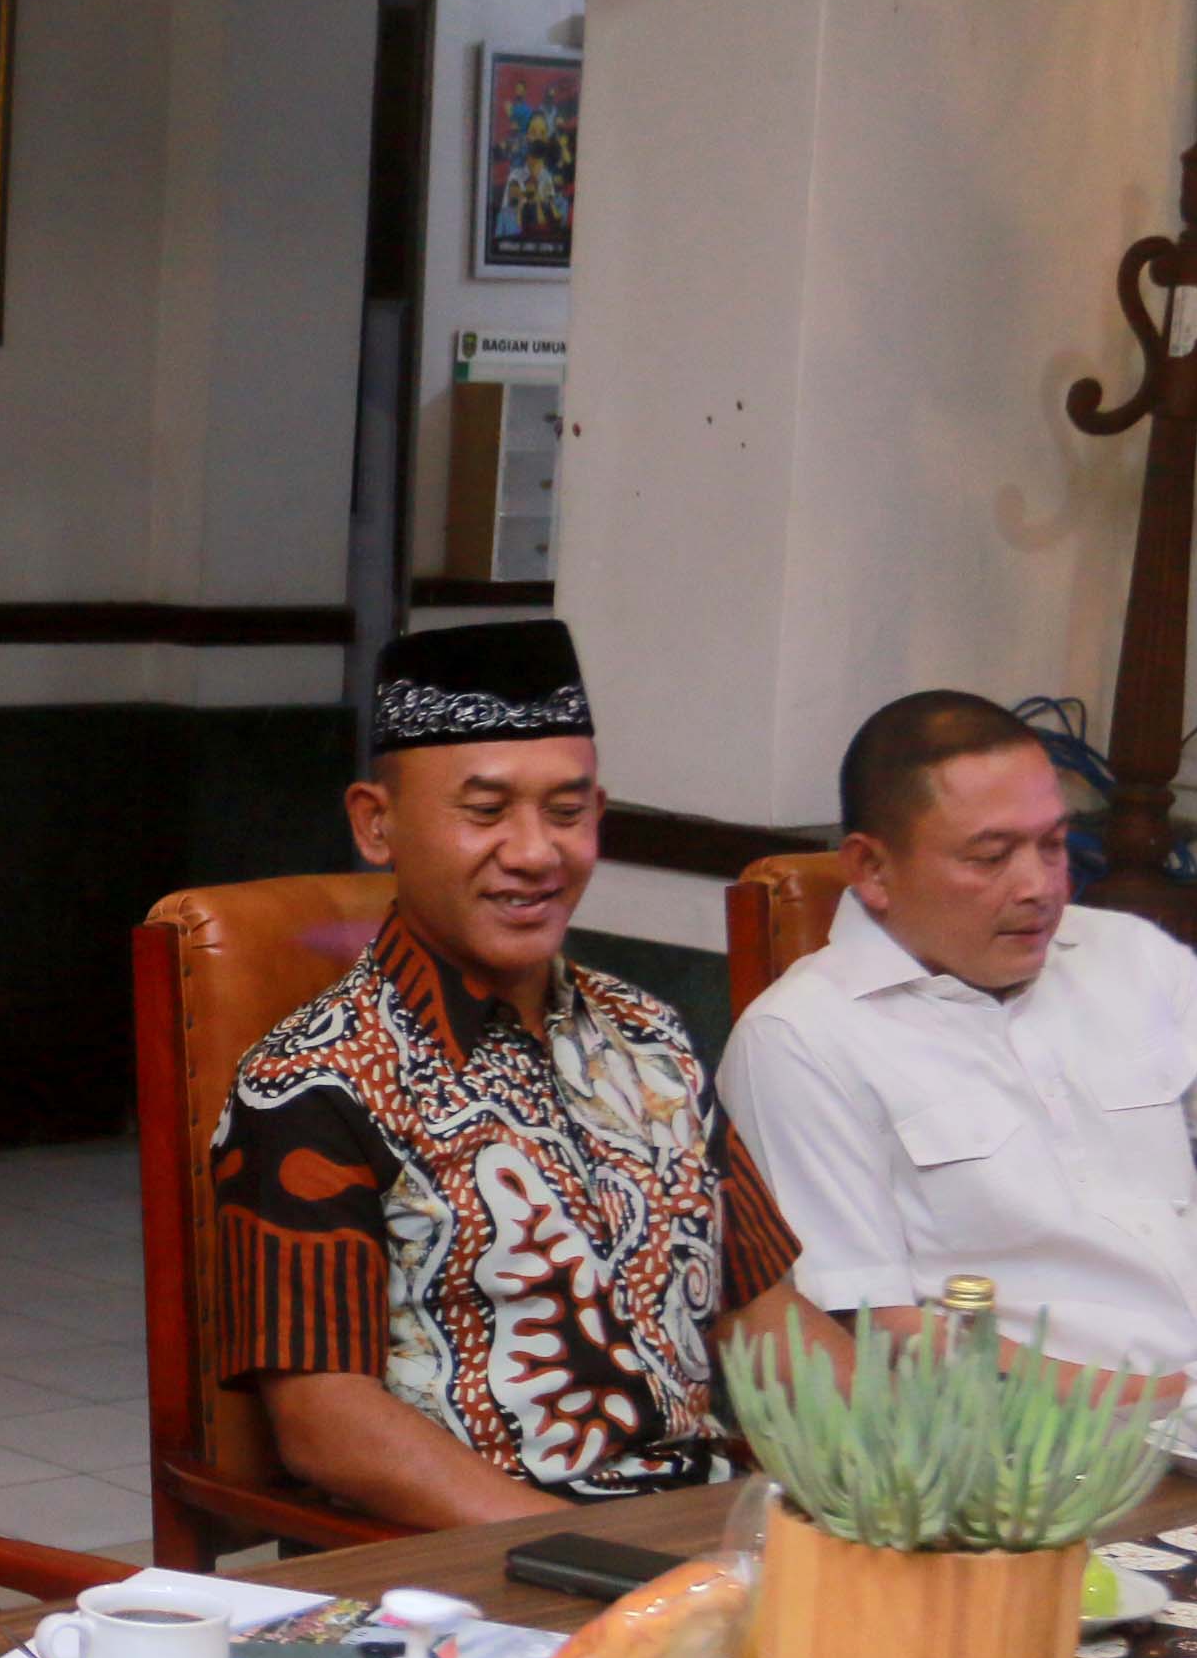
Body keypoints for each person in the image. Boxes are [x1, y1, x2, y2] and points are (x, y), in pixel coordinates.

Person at [209, 621, 818, 1526]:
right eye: (486, 812)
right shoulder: (314, 1084)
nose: (536, 852)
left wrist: (926, 1496)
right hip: (477, 1571)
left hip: (699, 1542)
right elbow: (328, 1429)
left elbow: (773, 1331)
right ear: (376, 823)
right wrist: (592, 1561)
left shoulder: (651, 1038)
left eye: (566, 813)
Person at [719, 690, 1197, 1380]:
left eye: (1054, 845)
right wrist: (1164, 1396)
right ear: (872, 869)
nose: (1040, 886)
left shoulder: (1129, 954)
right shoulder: (801, 1037)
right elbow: (875, 1325)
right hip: (1049, 1434)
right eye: (991, 856)